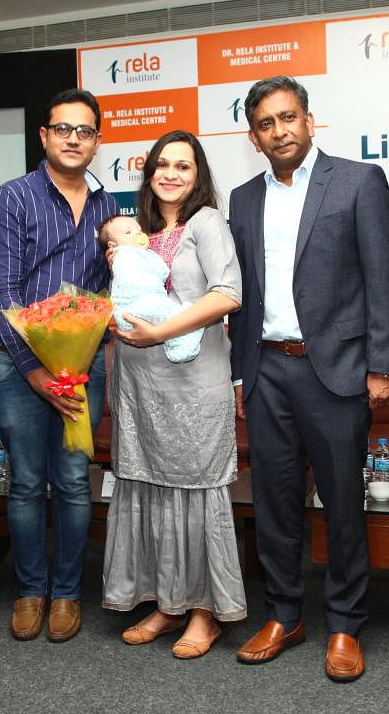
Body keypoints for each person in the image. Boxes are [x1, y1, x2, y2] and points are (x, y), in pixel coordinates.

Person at [228, 75, 389, 682]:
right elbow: (243, 295)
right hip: (266, 368)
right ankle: (283, 614)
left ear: (309, 120)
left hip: (335, 372)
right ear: (254, 137)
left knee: (342, 506)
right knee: (274, 504)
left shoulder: (358, 181)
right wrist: (237, 377)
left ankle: (346, 625)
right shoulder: (243, 199)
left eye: (288, 117)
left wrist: (383, 367)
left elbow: (384, 280)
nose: (280, 131)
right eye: (266, 124)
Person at [101, 131, 245, 659]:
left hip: (194, 379)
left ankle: (206, 613)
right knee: (151, 486)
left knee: (197, 487)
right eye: (162, 164)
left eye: (183, 166)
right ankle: (168, 603)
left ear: (198, 174)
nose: (171, 174)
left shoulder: (205, 222)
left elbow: (227, 293)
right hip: (139, 381)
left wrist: (160, 332)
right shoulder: (134, 231)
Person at [0, 89, 118, 643]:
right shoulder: (13, 198)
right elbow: (1, 295)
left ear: (97, 140)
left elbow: (108, 290)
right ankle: (29, 590)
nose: (73, 140)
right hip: (19, 370)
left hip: (83, 367)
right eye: (63, 129)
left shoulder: (109, 207)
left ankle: (66, 595)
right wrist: (37, 374)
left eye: (84, 131)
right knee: (26, 484)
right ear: (44, 136)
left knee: (74, 483)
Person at [99, 213, 202, 363]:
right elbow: (162, 271)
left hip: (129, 312)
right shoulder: (123, 255)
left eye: (139, 230)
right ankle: (185, 342)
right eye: (129, 232)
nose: (137, 234)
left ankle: (179, 345)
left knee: (169, 318)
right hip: (139, 304)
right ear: (112, 245)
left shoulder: (141, 254)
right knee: (178, 315)